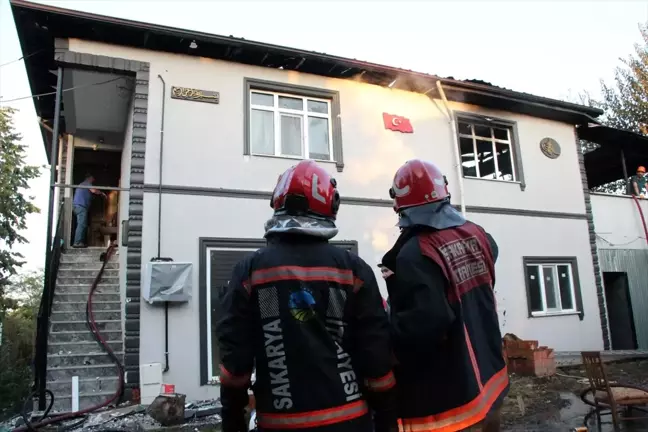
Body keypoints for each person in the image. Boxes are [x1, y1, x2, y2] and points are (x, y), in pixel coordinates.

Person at [215, 160, 398, 432]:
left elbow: (234, 357)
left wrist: (232, 422)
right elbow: (376, 353)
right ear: (330, 204)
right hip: (349, 419)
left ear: (277, 202)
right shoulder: (353, 270)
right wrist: (386, 420)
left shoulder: (251, 271)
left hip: (280, 422)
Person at [381, 159, 508, 432]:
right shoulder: (479, 235)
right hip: (492, 382)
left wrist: (389, 330)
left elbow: (425, 324)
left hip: (451, 404)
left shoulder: (415, 253)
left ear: (400, 204)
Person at [72, 174, 106, 248]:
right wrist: (101, 193)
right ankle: (77, 242)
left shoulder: (82, 185)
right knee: (82, 224)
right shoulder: (86, 183)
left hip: (77, 206)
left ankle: (79, 242)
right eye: (92, 179)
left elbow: (89, 195)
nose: (93, 181)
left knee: (81, 224)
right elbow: (94, 190)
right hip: (81, 206)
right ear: (89, 178)